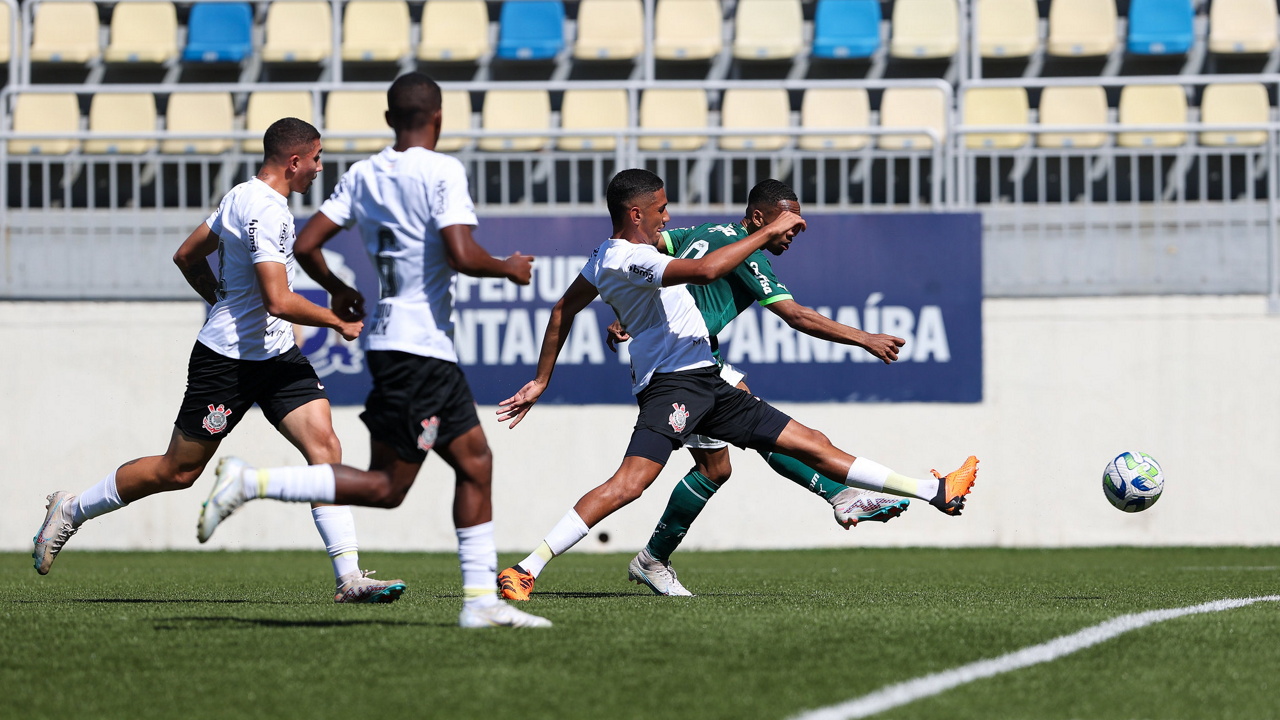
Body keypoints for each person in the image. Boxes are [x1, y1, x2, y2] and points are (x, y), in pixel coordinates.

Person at [495, 168, 978, 603]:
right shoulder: (633, 258)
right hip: (674, 386)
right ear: (637, 213)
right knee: (630, 484)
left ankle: (930, 490)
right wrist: (765, 236)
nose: (669, 217)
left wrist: (544, 378)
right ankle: (526, 568)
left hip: (707, 377)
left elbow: (565, 307)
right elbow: (708, 272)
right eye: (662, 209)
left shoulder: (619, 252)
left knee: (804, 443)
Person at [192, 73, 549, 629]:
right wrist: (507, 267)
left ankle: (481, 603)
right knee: (387, 486)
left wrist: (336, 288)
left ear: (388, 120)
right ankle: (252, 482)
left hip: (397, 343)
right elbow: (459, 252)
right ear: (438, 118)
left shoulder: (363, 174)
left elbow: (308, 244)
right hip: (418, 347)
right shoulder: (442, 170)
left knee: (475, 462)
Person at [31, 118, 406, 604]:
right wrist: (336, 320)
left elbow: (186, 256)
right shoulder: (265, 211)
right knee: (178, 471)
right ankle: (71, 508)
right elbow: (277, 300)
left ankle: (349, 578)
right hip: (228, 362)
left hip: (277, 357)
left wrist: (220, 299)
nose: (319, 167)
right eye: (316, 158)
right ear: (294, 161)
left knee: (325, 448)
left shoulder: (240, 195)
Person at [606, 179, 913, 596]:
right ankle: (840, 496)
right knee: (737, 446)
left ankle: (653, 559)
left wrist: (631, 313)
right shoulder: (748, 257)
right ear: (758, 218)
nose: (793, 232)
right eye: (787, 223)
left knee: (717, 467)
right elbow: (797, 316)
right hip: (681, 367)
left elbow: (644, 249)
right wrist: (865, 338)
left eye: (798, 225)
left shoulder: (704, 231)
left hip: (694, 357)